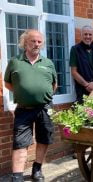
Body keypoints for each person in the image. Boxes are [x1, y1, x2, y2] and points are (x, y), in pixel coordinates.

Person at [4, 29, 57, 182]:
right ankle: (17, 176)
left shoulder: (48, 63)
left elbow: (54, 85)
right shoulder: (15, 62)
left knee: (43, 139)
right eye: (33, 41)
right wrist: (24, 93)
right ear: (25, 43)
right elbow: (8, 83)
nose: (36, 44)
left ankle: (37, 169)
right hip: (23, 109)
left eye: (39, 41)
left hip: (44, 108)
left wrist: (41, 95)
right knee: (20, 143)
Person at [70, 25, 93, 103]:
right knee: (85, 113)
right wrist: (86, 85)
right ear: (81, 35)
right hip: (83, 90)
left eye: (90, 34)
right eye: (85, 34)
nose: (88, 36)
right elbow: (74, 72)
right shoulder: (75, 50)